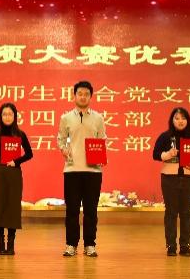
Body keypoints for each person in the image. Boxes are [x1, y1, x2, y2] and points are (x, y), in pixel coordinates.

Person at [57, 80, 106, 258]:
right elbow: (61, 139)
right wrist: (64, 149)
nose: (83, 97)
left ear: (90, 97)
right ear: (74, 96)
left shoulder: (98, 118)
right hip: (72, 170)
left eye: (86, 94)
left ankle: (90, 245)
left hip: (93, 171)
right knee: (72, 210)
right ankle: (71, 244)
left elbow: (102, 140)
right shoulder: (66, 118)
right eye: (80, 94)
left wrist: (101, 156)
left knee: (91, 210)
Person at [152, 107, 190, 257]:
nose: (180, 121)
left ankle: (185, 246)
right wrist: (167, 154)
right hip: (169, 178)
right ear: (172, 120)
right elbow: (155, 154)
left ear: (188, 120)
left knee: (186, 212)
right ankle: (171, 245)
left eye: (183, 118)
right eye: (177, 118)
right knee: (171, 212)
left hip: (189, 178)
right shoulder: (165, 136)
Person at [0, 103, 33, 256]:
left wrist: (16, 161)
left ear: (15, 116)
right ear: (0, 116)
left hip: (14, 173)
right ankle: (1, 243)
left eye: (10, 114)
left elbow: (29, 154)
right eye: (4, 114)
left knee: (12, 206)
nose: (7, 117)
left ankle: (11, 243)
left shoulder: (20, 134)